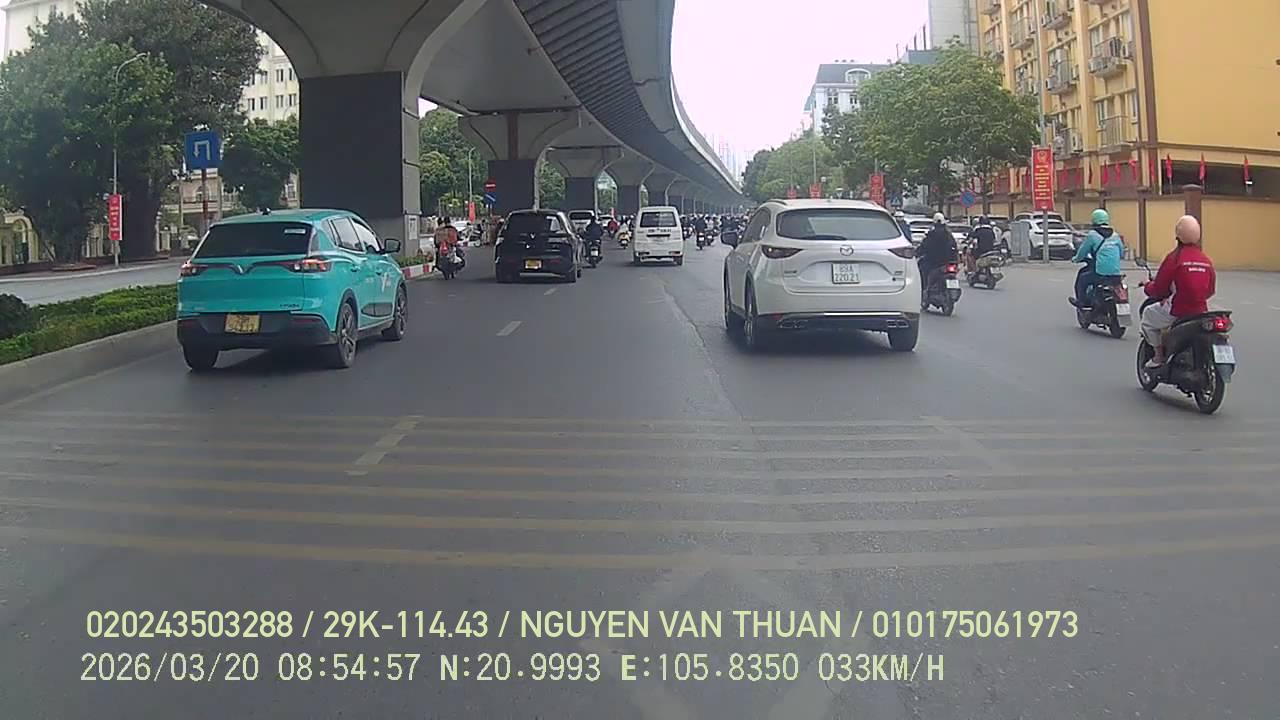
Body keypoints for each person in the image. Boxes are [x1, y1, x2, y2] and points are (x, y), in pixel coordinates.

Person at [1141, 215, 1216, 368]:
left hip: (1178, 310)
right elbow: (1210, 290)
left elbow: (1160, 289)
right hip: (1201, 312)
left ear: (1178, 235)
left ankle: (1158, 356)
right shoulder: (1206, 260)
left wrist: (1148, 286)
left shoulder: (1174, 259)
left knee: (1148, 316)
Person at [1070, 209, 1125, 308]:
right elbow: (1121, 253)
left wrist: (1076, 259)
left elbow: (1083, 251)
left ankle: (1081, 302)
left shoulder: (1092, 235)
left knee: (1082, 279)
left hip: (1100, 274)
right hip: (1115, 274)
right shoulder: (1115, 235)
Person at [918, 213, 958, 290]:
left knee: (923, 271)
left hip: (934, 262)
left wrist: (918, 252)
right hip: (947, 262)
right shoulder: (949, 235)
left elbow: (924, 246)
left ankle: (925, 289)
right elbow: (954, 247)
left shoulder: (931, 234)